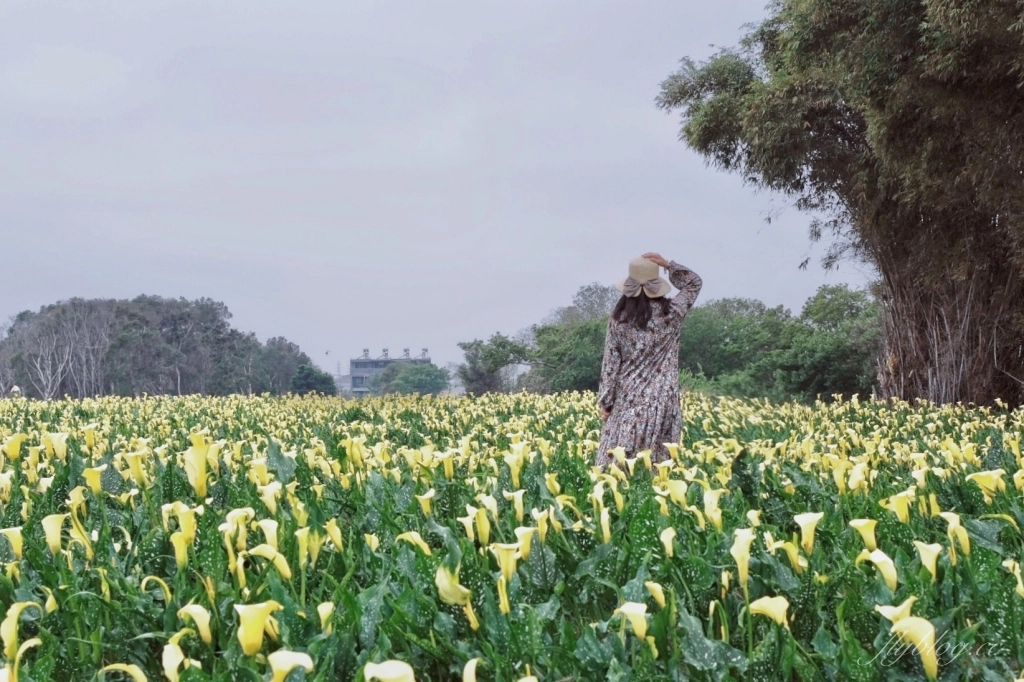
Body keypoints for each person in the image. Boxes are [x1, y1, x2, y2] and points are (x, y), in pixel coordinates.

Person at [596, 252, 702, 466]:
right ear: (657, 286)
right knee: (658, 465)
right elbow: (694, 283)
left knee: (616, 465)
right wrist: (667, 265)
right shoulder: (672, 313)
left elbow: (610, 365)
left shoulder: (619, 320)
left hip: (628, 401)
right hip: (662, 401)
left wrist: (606, 402)